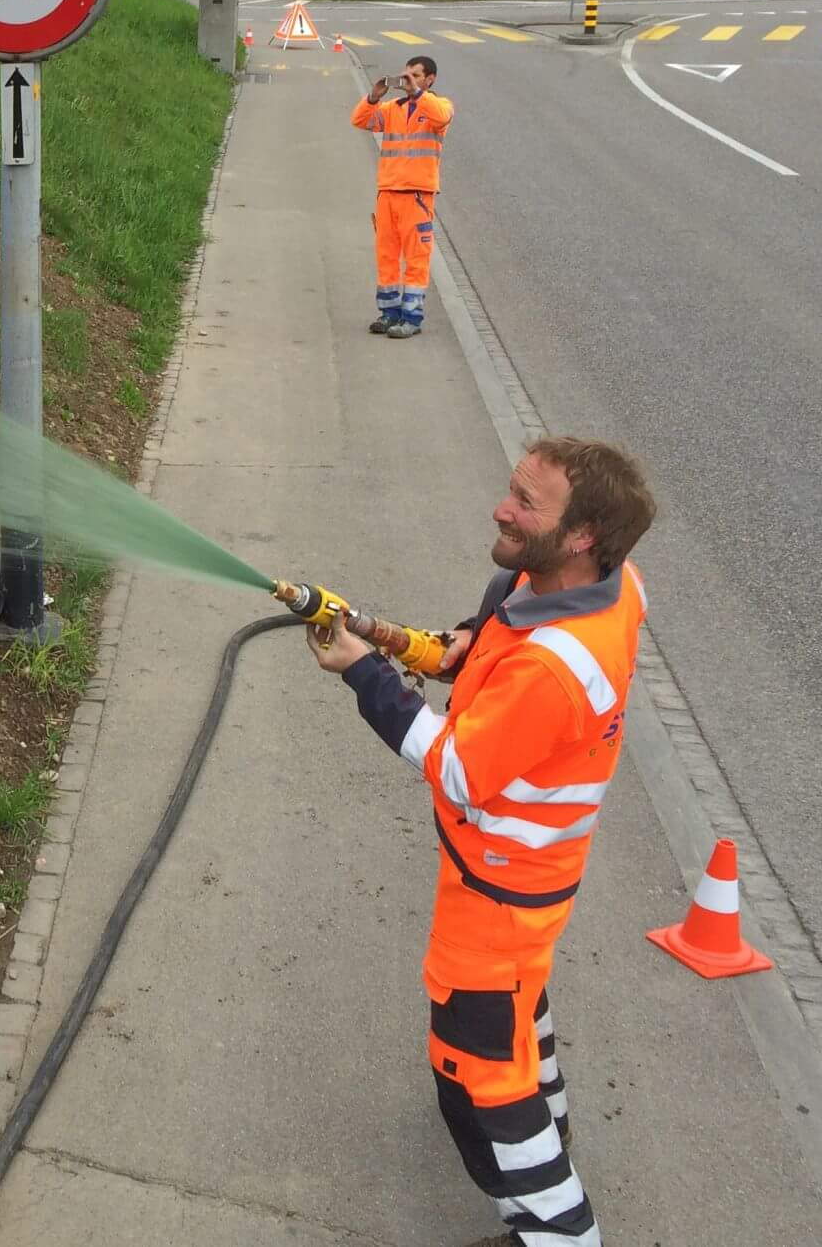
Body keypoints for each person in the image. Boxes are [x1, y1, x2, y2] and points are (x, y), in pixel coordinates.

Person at [306, 436, 656, 1247]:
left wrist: (364, 669)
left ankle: (558, 1229)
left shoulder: (557, 669)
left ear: (580, 537)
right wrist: (442, 639)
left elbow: (459, 769)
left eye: (527, 504)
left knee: (475, 1068)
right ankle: (557, 1125)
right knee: (519, 1006)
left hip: (497, 890)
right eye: (512, 489)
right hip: (534, 877)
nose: (503, 507)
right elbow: (507, 625)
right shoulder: (607, 583)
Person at [351, 54, 453, 338]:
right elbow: (359, 120)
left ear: (429, 79)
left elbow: (441, 117)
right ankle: (389, 313)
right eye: (407, 74)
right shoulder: (392, 108)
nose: (409, 80)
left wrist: (418, 93)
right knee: (386, 256)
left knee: (416, 258)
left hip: (417, 196)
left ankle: (411, 318)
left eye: (416, 76)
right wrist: (373, 96)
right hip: (388, 194)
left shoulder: (438, 107)